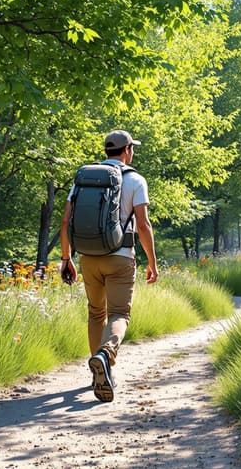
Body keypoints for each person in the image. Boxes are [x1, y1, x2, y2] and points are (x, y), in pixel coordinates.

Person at [60, 130, 158, 402]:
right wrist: (152, 262)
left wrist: (66, 258)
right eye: (132, 148)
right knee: (119, 314)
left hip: (88, 256)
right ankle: (106, 355)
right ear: (126, 150)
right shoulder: (136, 179)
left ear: (106, 151)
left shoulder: (84, 179)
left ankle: (98, 373)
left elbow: (65, 221)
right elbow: (142, 224)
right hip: (121, 255)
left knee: (95, 312)